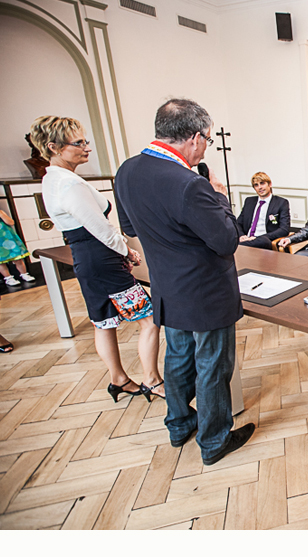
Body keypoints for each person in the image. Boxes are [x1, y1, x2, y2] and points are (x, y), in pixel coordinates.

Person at [113, 100, 254, 465]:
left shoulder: (127, 171)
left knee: (178, 359)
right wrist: (220, 197)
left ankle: (179, 424)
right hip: (205, 292)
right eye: (206, 139)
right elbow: (226, 241)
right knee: (212, 366)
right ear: (193, 138)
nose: (206, 146)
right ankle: (214, 440)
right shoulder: (190, 184)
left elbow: (130, 228)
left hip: (166, 288)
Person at [33, 115, 166, 409]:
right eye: (78, 143)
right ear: (54, 147)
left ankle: (118, 378)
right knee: (150, 318)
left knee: (103, 321)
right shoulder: (68, 184)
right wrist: (127, 252)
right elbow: (101, 229)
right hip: (101, 259)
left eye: (86, 141)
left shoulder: (52, 179)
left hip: (85, 258)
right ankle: (152, 379)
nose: (87, 147)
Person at [237, 172, 291, 250]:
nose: (260, 187)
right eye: (256, 185)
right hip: (246, 239)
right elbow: (238, 223)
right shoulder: (249, 201)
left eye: (262, 183)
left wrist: (257, 238)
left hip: (263, 240)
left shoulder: (281, 202)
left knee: (264, 241)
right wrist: (242, 236)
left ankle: (238, 247)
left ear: (270, 184)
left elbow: (284, 229)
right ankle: (241, 245)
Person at [0, 209, 35, 287]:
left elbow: (11, 222)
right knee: (1, 262)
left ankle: (24, 274)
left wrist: (1, 214)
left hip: (8, 239)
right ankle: (8, 278)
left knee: (17, 258)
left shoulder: (1, 212)